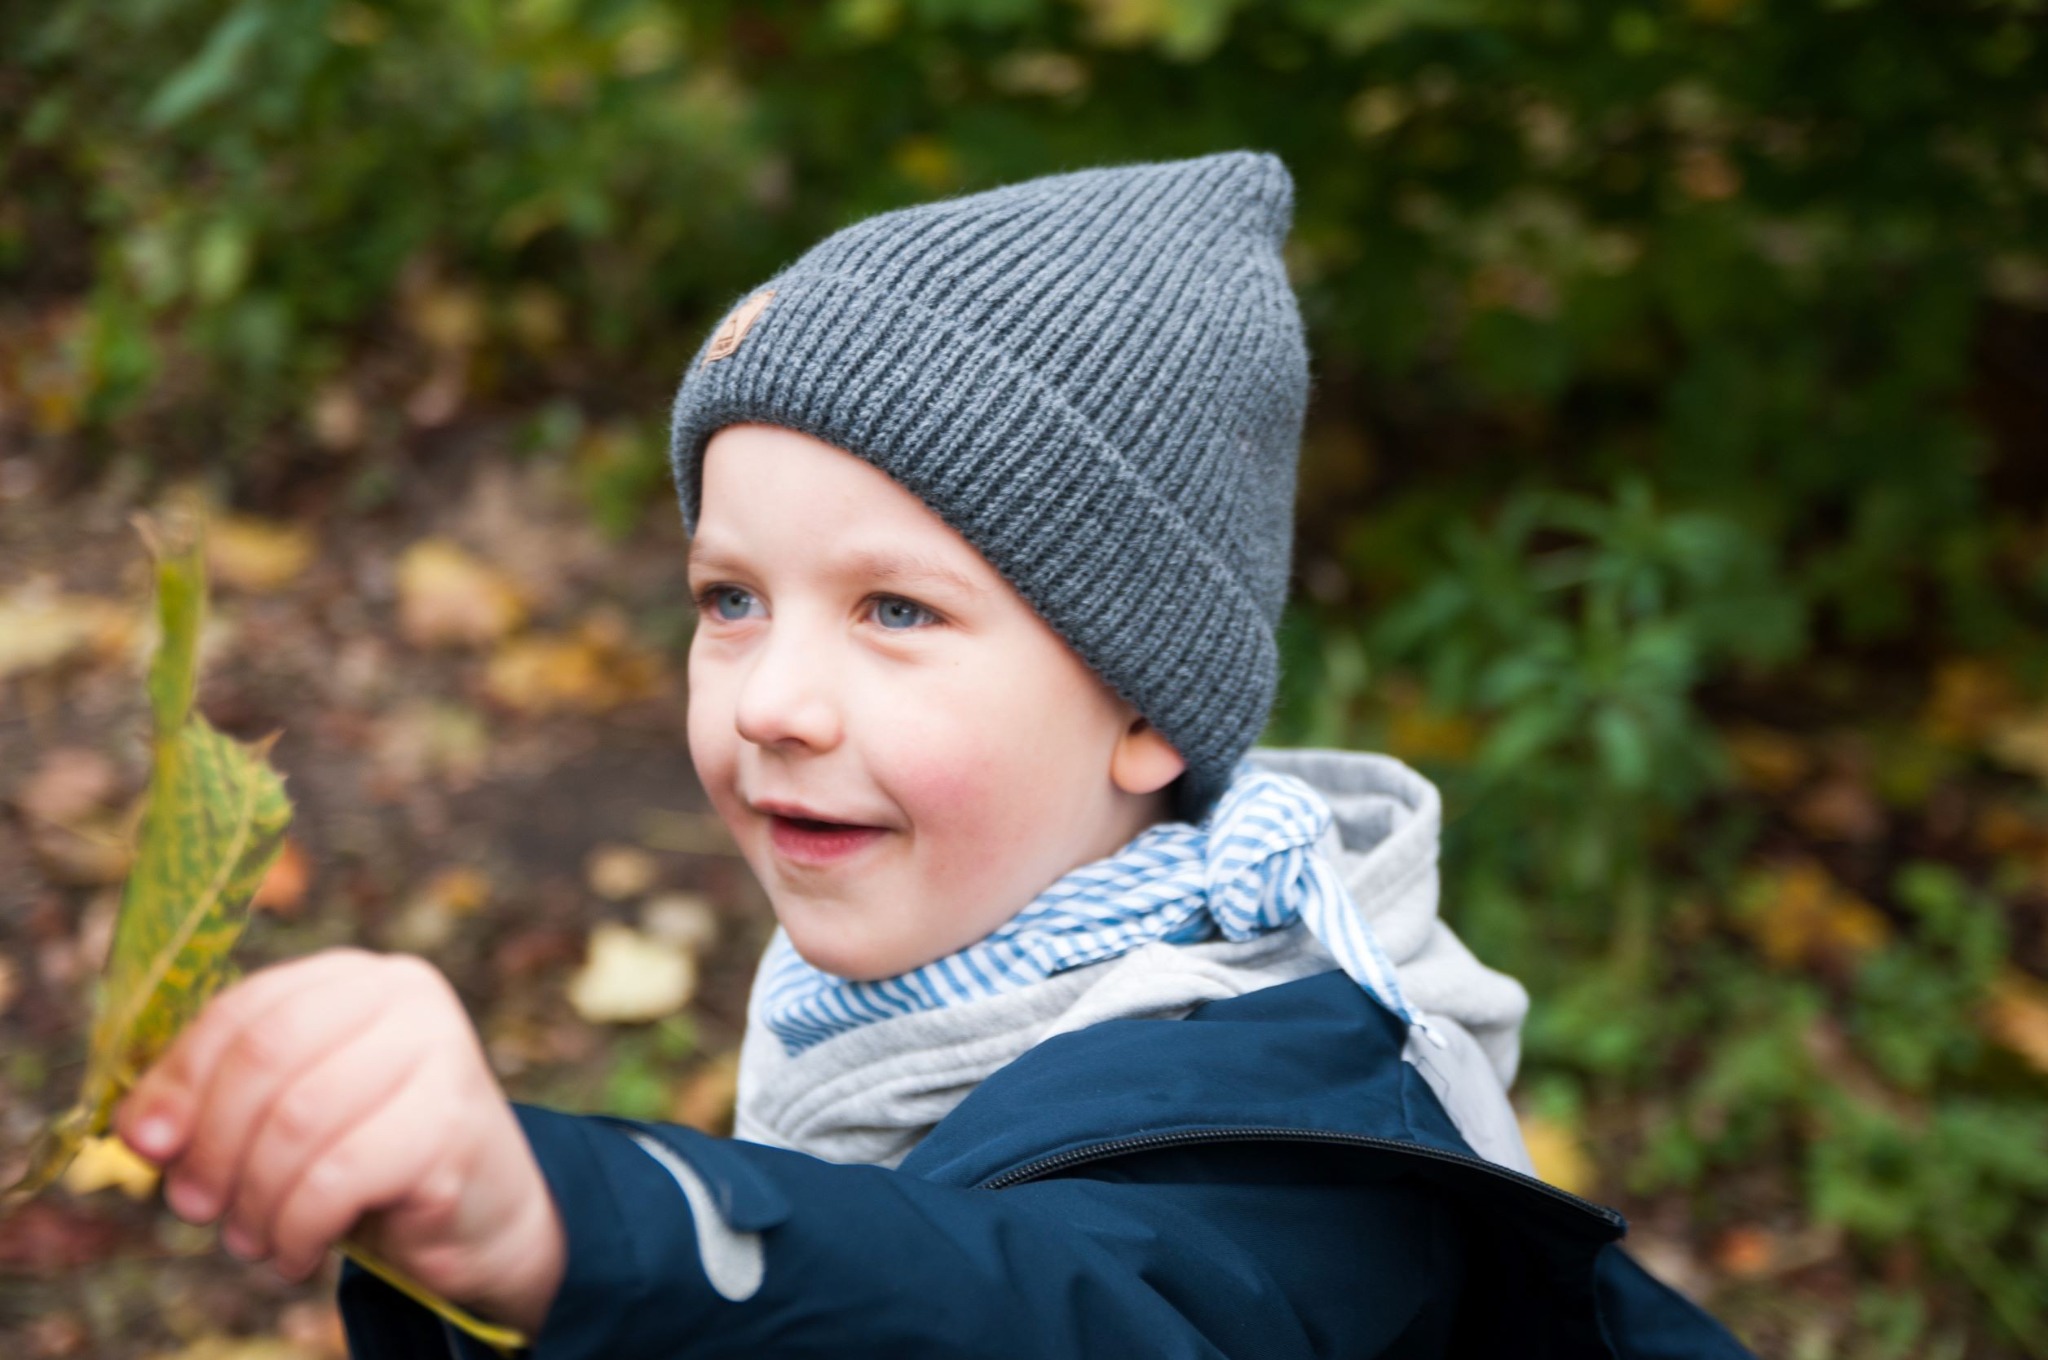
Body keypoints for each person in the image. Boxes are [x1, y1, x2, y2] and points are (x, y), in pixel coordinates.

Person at [116, 151, 1753, 1357]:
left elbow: (1052, 1312)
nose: (774, 701)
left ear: (1147, 714)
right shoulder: (929, 990)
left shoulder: (1288, 1134)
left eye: (895, 610)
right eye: (732, 598)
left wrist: (575, 1230)